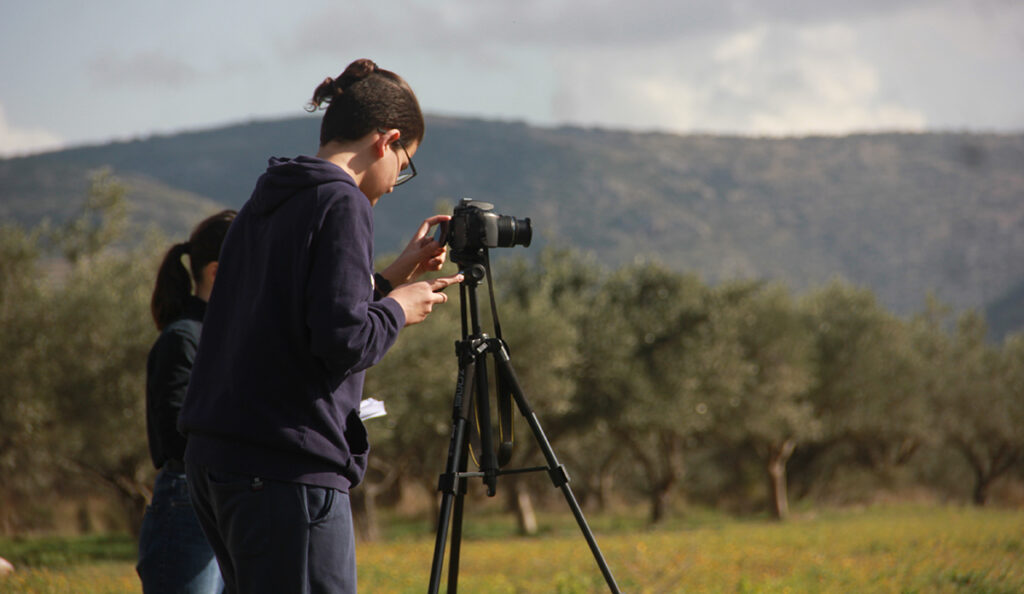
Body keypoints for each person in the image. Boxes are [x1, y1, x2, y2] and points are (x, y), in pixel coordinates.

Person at [178, 58, 462, 593]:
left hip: (217, 460)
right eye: (405, 164)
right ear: (388, 140)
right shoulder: (344, 201)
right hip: (286, 466)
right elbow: (343, 339)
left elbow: (292, 317)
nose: (398, 183)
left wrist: (394, 277)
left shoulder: (270, 195)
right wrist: (400, 308)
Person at [138, 209, 236, 594]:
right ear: (215, 272)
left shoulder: (219, 335)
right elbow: (177, 432)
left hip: (221, 499)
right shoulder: (184, 339)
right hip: (188, 502)